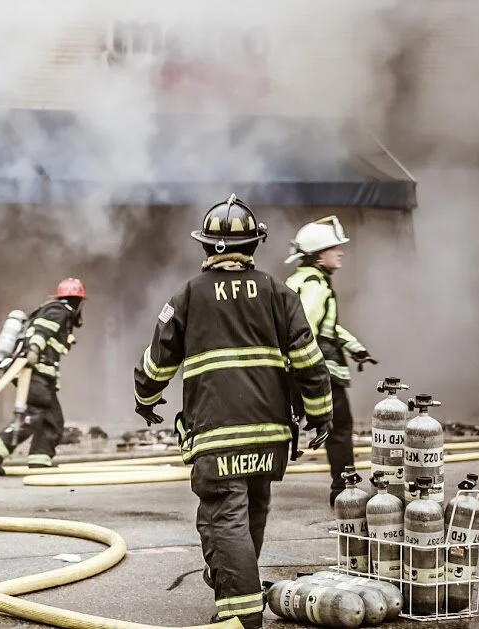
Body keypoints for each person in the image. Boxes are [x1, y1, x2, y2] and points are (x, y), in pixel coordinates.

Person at [132, 195, 333, 629]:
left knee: (224, 518)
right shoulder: (281, 294)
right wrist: (321, 417)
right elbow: (309, 363)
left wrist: (145, 398)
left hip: (218, 433)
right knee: (250, 514)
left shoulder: (186, 296)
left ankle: (241, 617)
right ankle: (229, 574)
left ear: (206, 246)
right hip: (271, 435)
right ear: (255, 245)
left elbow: (157, 361)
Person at [285, 216, 376, 506]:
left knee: (280, 424)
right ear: (317, 255)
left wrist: (354, 347)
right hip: (318, 371)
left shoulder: (298, 281)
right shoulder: (316, 286)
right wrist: (307, 368)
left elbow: (327, 325)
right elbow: (306, 328)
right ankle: (344, 489)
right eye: (333, 247)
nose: (340, 252)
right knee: (340, 427)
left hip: (295, 369)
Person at [0, 278, 85, 475]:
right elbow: (40, 331)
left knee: (52, 419)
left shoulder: (59, 313)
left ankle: (40, 460)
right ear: (77, 301)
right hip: (33, 370)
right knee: (34, 412)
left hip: (39, 372)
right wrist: (34, 349)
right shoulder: (58, 311)